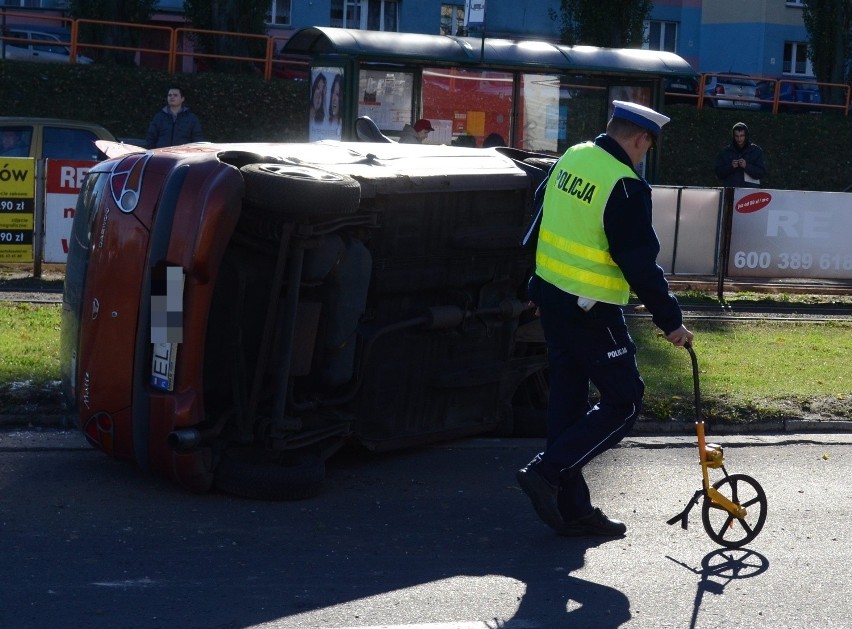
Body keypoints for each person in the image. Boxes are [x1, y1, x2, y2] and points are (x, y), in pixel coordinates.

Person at [517, 100, 694, 538]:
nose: (643, 156)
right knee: (625, 400)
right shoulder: (626, 185)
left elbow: (538, 222)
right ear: (639, 139)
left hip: (554, 300)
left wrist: (535, 287)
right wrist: (670, 320)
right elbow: (639, 264)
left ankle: (571, 510)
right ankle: (548, 471)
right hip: (591, 308)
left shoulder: (573, 157)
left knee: (568, 402)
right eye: (645, 148)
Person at [714, 122, 766, 188]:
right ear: (733, 136)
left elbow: (761, 173)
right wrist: (731, 167)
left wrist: (746, 166)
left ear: (746, 135)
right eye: (736, 136)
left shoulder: (756, 151)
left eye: (741, 135)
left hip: (749, 192)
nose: (739, 139)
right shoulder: (725, 152)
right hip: (731, 190)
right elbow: (719, 173)